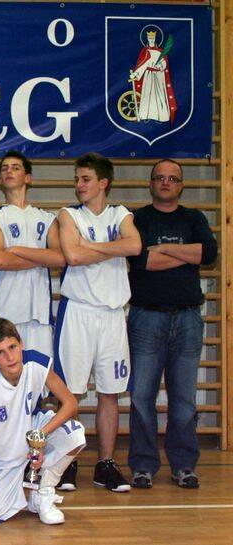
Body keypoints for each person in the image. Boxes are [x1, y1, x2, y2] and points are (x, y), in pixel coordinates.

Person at [127, 159, 217, 489]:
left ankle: (184, 465)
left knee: (184, 400)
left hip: (188, 318)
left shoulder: (194, 218)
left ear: (181, 185)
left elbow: (208, 254)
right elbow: (141, 260)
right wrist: (184, 254)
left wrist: (164, 248)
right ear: (151, 183)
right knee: (141, 397)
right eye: (160, 178)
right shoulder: (137, 218)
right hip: (146, 317)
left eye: (173, 178)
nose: (166, 182)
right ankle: (143, 465)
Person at [55, 152, 142, 492]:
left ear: (103, 182)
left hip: (112, 314)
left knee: (110, 392)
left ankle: (105, 464)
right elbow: (73, 255)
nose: (79, 185)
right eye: (77, 179)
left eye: (86, 179)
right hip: (78, 311)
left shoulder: (121, 214)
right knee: (71, 392)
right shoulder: (68, 214)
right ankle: (67, 461)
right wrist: (113, 247)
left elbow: (135, 245)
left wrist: (91, 246)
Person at [0, 318, 85, 525]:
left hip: (31, 432)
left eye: (12, 347)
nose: (10, 357)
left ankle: (43, 490)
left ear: (21, 343)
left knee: (74, 434)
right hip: (2, 459)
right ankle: (21, 485)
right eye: (0, 352)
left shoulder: (35, 363)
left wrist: (40, 438)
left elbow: (70, 403)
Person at [0, 151, 64, 358]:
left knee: (41, 373)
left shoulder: (47, 218)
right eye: (4, 168)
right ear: (0, 179)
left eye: (15, 167)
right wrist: (42, 258)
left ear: (28, 177)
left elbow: (59, 258)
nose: (9, 171)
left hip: (39, 312)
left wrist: (17, 250)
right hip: (5, 310)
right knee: (4, 374)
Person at [129, 29, 177, 123]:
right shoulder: (145, 51)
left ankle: (161, 117)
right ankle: (145, 115)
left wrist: (160, 66)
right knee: (147, 95)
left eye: (153, 38)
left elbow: (164, 62)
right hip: (148, 76)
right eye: (149, 38)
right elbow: (143, 64)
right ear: (147, 38)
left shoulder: (161, 51)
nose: (151, 39)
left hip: (159, 76)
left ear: (155, 38)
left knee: (159, 96)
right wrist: (136, 73)